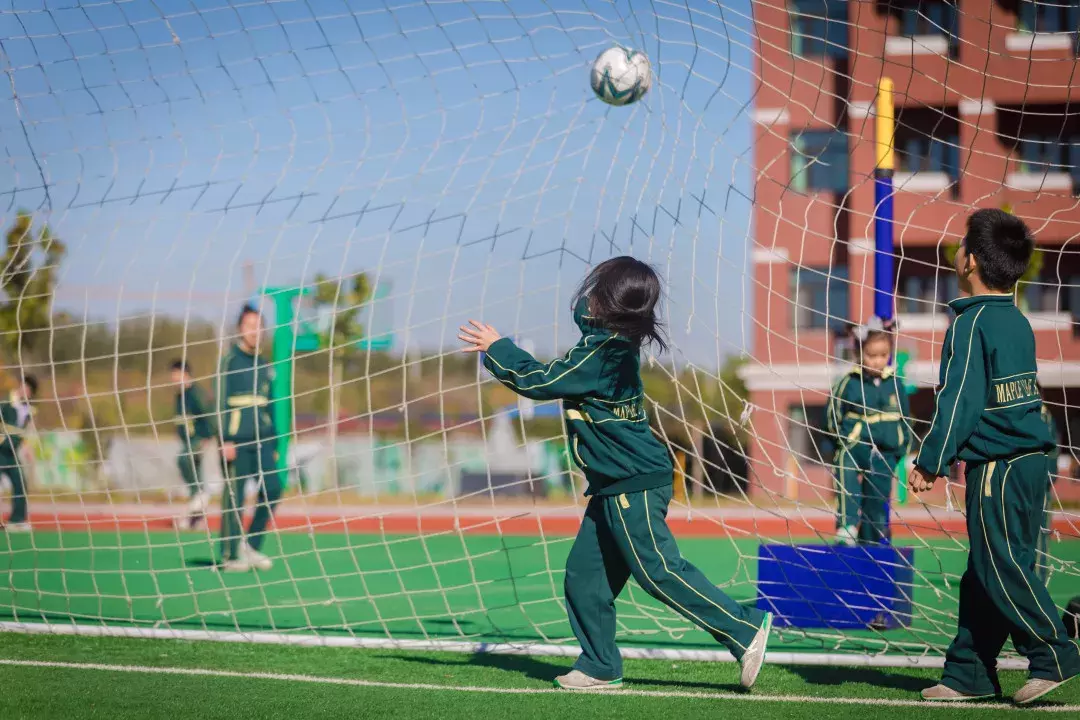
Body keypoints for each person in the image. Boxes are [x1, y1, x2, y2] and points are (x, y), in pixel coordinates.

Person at [458, 256, 772, 692]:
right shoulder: (611, 346)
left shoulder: (602, 355)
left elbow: (539, 381)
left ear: (609, 305)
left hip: (634, 483)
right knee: (584, 578)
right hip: (612, 486)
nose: (584, 298)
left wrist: (497, 348)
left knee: (657, 570)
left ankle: (744, 629)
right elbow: (579, 341)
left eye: (594, 292)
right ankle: (600, 665)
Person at [910, 209, 1080, 705]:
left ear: (972, 263)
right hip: (1032, 464)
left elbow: (958, 398)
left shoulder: (971, 322)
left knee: (999, 565)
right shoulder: (1017, 320)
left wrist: (931, 460)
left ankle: (1055, 654)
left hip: (1000, 467)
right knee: (990, 568)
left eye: (962, 245)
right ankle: (970, 673)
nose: (957, 252)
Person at [824, 317, 912, 546]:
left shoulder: (895, 383)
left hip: (884, 451)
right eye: (872, 356)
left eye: (883, 355)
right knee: (846, 471)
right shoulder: (848, 382)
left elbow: (906, 417)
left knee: (876, 498)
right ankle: (847, 526)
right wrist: (842, 440)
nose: (878, 361)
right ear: (859, 354)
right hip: (855, 445)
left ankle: (872, 540)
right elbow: (833, 412)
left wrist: (902, 446)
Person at [217, 305, 282, 572]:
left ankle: (250, 545)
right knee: (235, 495)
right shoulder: (229, 361)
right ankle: (229, 554)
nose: (254, 331)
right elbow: (220, 401)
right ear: (240, 329)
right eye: (249, 325)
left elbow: (272, 405)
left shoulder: (266, 365)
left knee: (274, 487)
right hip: (236, 439)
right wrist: (224, 438)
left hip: (263, 440)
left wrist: (275, 442)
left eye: (259, 326)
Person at [171, 360, 215, 529]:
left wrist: (207, 436)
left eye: (177, 374)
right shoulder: (179, 395)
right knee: (195, 478)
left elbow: (208, 413)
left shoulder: (196, 393)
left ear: (185, 374)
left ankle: (201, 496)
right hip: (188, 440)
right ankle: (196, 518)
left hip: (199, 439)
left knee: (184, 459)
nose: (174, 378)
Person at [0, 374, 37, 532]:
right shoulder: (5, 402)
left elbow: (22, 432)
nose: (25, 391)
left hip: (13, 452)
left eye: (29, 389)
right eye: (24, 386)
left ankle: (17, 520)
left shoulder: (28, 409)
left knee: (20, 482)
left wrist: (27, 449)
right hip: (1, 450)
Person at [1038, 404, 1059, 582]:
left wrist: (1047, 478)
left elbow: (1052, 452)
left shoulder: (1044, 416)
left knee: (1040, 536)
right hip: (1030, 483)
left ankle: (1039, 579)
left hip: (1040, 485)